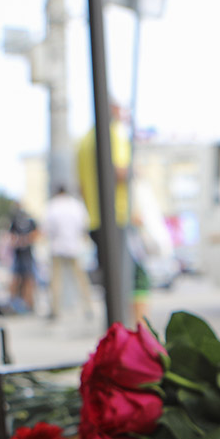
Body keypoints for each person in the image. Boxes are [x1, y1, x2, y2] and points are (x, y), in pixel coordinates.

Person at [76, 102, 150, 322]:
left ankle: (120, 328)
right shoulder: (113, 134)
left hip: (96, 220)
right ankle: (138, 332)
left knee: (113, 279)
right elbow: (118, 171)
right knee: (136, 278)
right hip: (119, 217)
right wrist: (136, 171)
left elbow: (81, 188)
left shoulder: (83, 142)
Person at [43, 185, 95, 320]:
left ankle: (55, 310)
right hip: (74, 246)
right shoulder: (76, 205)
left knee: (56, 281)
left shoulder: (52, 205)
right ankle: (88, 307)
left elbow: (47, 228)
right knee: (81, 280)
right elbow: (84, 225)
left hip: (57, 246)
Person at [8, 203, 39, 313]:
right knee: (17, 280)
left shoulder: (28, 221)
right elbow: (11, 237)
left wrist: (24, 241)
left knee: (28, 280)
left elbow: (36, 234)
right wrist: (21, 241)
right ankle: (14, 305)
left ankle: (28, 304)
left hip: (26, 255)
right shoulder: (16, 220)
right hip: (19, 255)